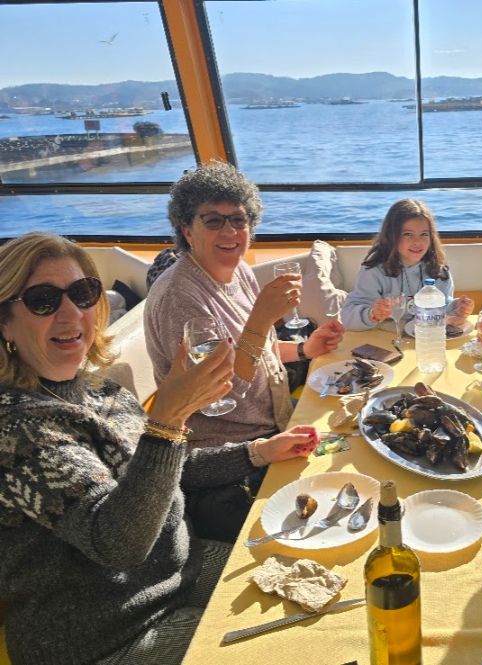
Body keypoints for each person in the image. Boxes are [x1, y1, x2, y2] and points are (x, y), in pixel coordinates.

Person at [0, 232, 319, 665]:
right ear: (5, 321)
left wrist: (258, 451)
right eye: (43, 300)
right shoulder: (16, 429)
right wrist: (168, 420)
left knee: (311, 584)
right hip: (110, 635)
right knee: (293, 652)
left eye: (83, 292)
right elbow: (117, 542)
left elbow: (172, 467)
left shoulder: (101, 394)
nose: (72, 312)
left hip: (176, 574)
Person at [144, 162, 343, 542]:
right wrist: (262, 318)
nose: (231, 231)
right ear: (186, 229)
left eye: (238, 219)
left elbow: (260, 353)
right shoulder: (179, 298)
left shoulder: (240, 273)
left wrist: (304, 348)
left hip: (273, 425)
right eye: (213, 221)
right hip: (225, 459)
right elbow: (221, 395)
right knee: (320, 524)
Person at [341, 198, 474, 330]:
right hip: (388, 339)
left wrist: (457, 308)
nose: (417, 242)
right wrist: (372, 314)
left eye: (423, 234)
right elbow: (348, 317)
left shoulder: (438, 270)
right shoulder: (374, 270)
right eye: (408, 234)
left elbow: (443, 308)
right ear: (391, 236)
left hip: (426, 338)